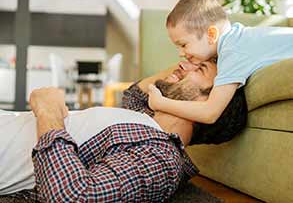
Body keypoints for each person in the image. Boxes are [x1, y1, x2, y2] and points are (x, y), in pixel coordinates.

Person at [0, 60, 247, 202]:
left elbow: (73, 197)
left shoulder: (160, 156)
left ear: (209, 105)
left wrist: (48, 114)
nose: (184, 63)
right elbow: (137, 91)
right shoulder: (143, 115)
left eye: (199, 69)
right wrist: (200, 56)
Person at [148, 0, 293, 125]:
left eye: (183, 45)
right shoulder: (237, 39)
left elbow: (210, 113)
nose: (180, 53)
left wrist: (160, 102)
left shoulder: (233, 52)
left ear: (212, 34)